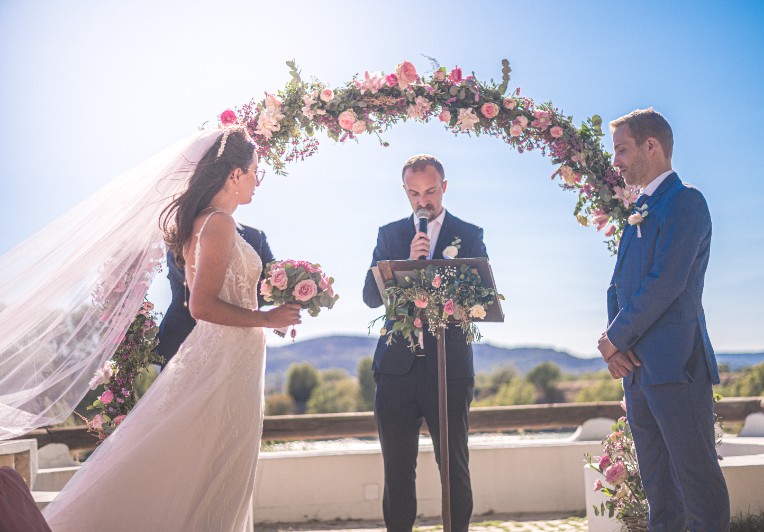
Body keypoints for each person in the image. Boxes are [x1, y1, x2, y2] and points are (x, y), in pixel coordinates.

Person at [41, 128, 302, 531]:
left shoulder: (208, 222)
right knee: (216, 469)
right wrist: (267, 319)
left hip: (234, 358)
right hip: (224, 359)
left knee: (210, 466)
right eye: (255, 171)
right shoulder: (217, 224)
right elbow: (201, 305)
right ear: (234, 175)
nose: (257, 180)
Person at [598, 109, 730, 531]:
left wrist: (614, 337)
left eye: (622, 149)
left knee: (697, 486)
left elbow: (666, 281)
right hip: (636, 372)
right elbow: (618, 286)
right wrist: (615, 349)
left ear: (651, 146)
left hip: (677, 367)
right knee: (660, 494)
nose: (615, 160)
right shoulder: (640, 209)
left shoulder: (686, 201)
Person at [363, 154, 488, 532]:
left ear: (443, 188)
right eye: (415, 193)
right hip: (396, 370)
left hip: (448, 370)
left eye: (430, 191)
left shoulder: (468, 233)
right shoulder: (390, 235)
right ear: (405, 192)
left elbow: (482, 297)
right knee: (398, 471)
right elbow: (370, 296)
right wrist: (406, 261)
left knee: (453, 468)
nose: (423, 201)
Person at [157, 221, 274, 366]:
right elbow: (199, 285)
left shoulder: (255, 235)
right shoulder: (182, 232)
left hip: (238, 342)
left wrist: (296, 282)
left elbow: (273, 285)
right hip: (185, 339)